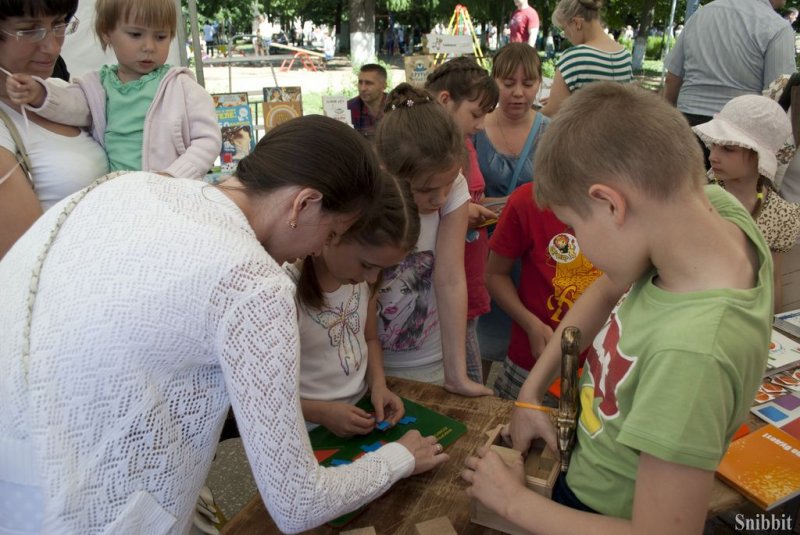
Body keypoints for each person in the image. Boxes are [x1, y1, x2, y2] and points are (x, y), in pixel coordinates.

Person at [0, 115, 449, 534]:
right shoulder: (253, 281)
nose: (317, 251)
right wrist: (398, 457)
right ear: (304, 204)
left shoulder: (132, 186)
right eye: (329, 235)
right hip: (81, 508)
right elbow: (297, 503)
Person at [463, 83, 773, 532]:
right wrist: (531, 394)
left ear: (611, 204)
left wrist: (512, 503)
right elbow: (606, 290)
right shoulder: (712, 211)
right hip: (585, 468)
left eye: (573, 225)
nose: (582, 249)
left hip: (598, 513)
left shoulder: (692, 355)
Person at [5, 0, 221, 180]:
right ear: (107, 33)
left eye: (161, 37)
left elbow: (208, 139)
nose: (149, 46)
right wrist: (40, 94)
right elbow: (71, 106)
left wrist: (173, 176)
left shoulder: (181, 86)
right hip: (116, 195)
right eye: (136, 35)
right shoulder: (96, 86)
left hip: (170, 195)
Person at [374, 83, 493, 397]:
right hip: (370, 364)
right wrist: (373, 378)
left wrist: (455, 374)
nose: (439, 198)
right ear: (388, 172)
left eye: (447, 184)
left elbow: (451, 278)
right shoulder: (368, 195)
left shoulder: (451, 185)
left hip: (431, 359)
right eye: (426, 190)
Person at [292, 173, 419, 437]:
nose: (372, 279)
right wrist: (322, 413)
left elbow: (370, 337)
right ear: (333, 233)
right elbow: (266, 394)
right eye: (367, 265)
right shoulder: (286, 288)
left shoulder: (363, 279)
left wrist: (379, 385)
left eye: (382, 269)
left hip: (358, 413)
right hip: (303, 431)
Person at [0, 0, 108, 259]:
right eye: (29, 30)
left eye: (59, 24)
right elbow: (26, 259)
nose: (52, 46)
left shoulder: (60, 89)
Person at [473, 43, 551, 374]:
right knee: (482, 340)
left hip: (533, 255)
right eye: (508, 83)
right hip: (482, 250)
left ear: (539, 85)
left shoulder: (550, 132)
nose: (518, 93)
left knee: (531, 330)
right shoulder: (474, 129)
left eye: (528, 84)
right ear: (494, 82)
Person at [486, 181, 602, 400]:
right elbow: (494, 274)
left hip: (605, 372)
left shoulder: (634, 202)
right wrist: (531, 324)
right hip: (532, 364)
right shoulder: (529, 199)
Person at [425, 56, 500, 384]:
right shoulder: (435, 155)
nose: (481, 124)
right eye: (475, 114)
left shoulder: (465, 144)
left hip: (467, 275)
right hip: (448, 286)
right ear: (445, 101)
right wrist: (458, 211)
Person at [693, 94, 800, 312]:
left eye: (728, 149)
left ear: (760, 156)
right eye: (713, 145)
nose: (713, 156)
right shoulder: (697, 196)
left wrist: (773, 328)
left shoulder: (782, 215)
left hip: (744, 316)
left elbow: (772, 279)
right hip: (693, 307)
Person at [664, 0, 796, 128]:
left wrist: (669, 121)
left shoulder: (700, 15)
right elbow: (780, 92)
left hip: (688, 122)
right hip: (740, 132)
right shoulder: (778, 27)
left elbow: (672, 79)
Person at [539, 0, 632, 117]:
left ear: (577, 23)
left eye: (564, 29)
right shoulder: (624, 54)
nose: (566, 36)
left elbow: (552, 112)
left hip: (581, 133)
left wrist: (530, 116)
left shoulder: (574, 57)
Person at [347, 63, 388, 141]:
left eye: (369, 83)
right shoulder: (348, 108)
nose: (362, 88)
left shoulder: (397, 107)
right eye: (360, 82)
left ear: (384, 86)